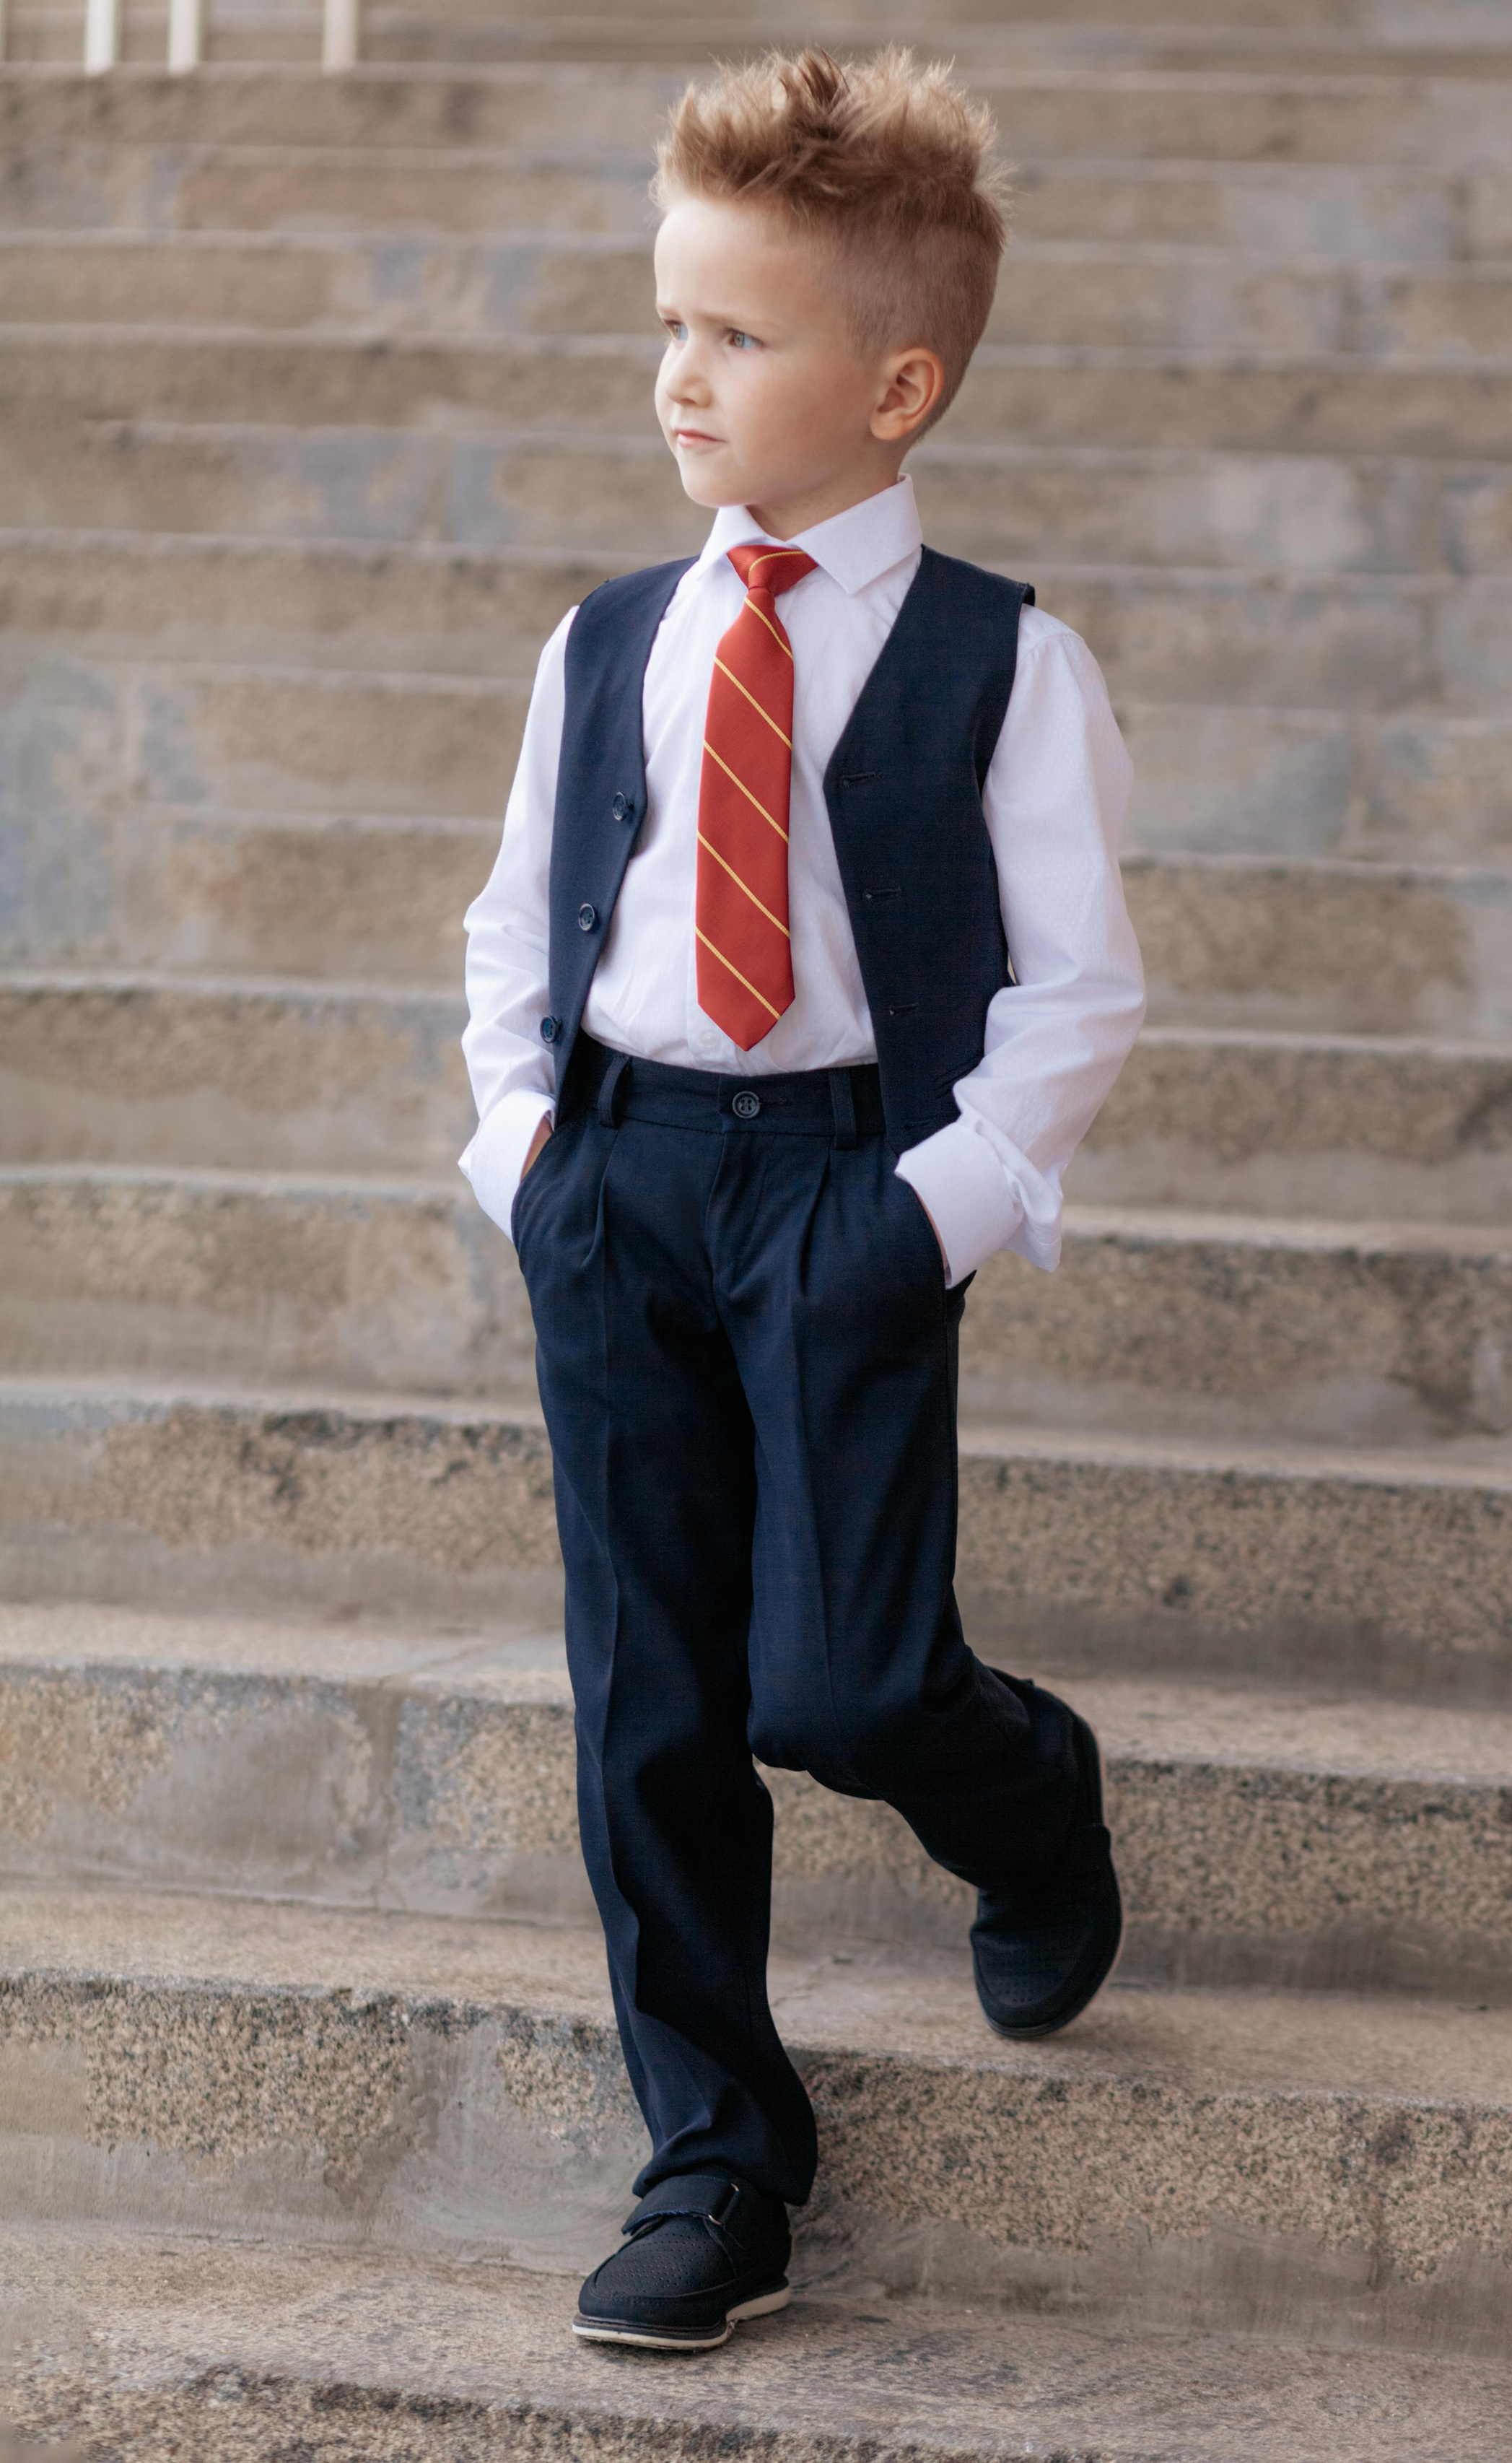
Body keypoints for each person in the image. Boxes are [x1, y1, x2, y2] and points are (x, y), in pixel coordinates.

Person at [459, 43, 1145, 2354]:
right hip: (626, 1176)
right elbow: (510, 924)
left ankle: (1025, 1796)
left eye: (737, 336)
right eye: (669, 323)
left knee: (837, 1678)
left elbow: (1077, 992)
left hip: (848, 1188)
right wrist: (527, 1157)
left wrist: (929, 1212)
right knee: (650, 1693)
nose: (680, 375)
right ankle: (717, 2157)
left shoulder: (1002, 664)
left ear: (898, 380)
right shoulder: (610, 643)